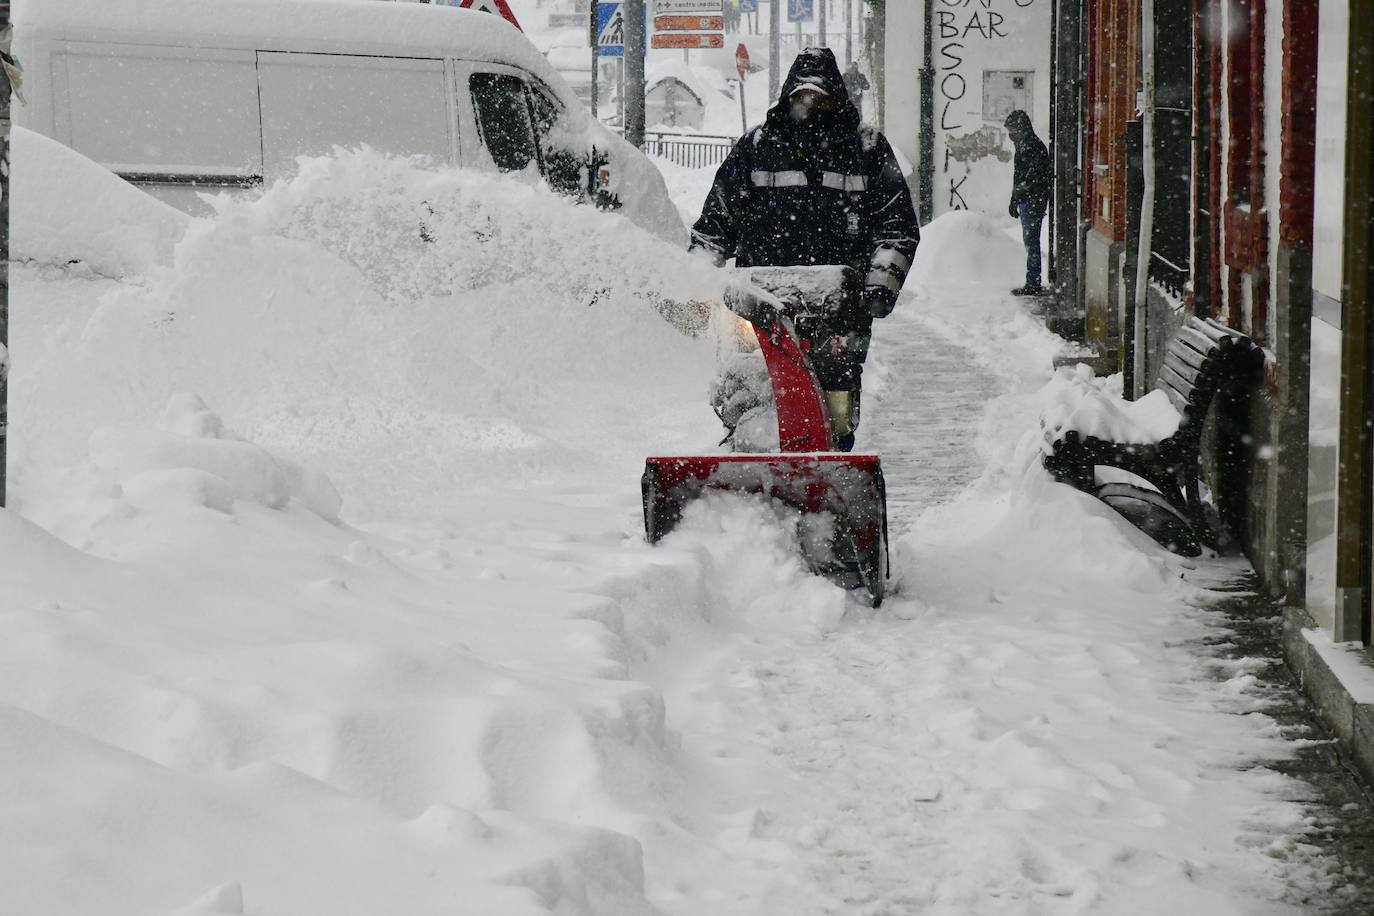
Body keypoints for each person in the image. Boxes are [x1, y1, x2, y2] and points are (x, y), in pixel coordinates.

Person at [690, 48, 919, 452]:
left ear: (837, 98)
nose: (811, 106)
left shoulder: (866, 150)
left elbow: (896, 226)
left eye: (821, 97)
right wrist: (693, 282)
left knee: (834, 410)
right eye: (802, 97)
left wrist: (879, 286)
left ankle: (830, 475)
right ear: (787, 97)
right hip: (757, 309)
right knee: (743, 394)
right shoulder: (756, 148)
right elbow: (714, 225)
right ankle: (744, 469)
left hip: (837, 312)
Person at [1004, 109, 1052, 296]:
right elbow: (1020, 177)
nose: (1010, 134)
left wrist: (1020, 195)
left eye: (1012, 130)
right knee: (1030, 241)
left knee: (1031, 241)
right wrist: (1014, 199)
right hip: (1029, 199)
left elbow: (1031, 178)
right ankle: (1033, 280)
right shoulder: (1025, 145)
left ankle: (1033, 282)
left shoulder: (1032, 147)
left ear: (1020, 128)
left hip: (1032, 200)